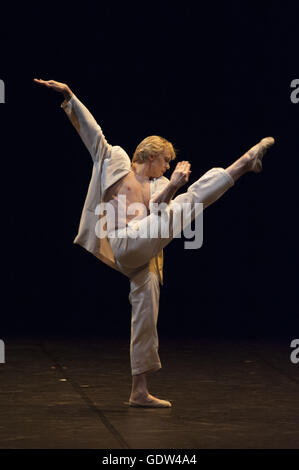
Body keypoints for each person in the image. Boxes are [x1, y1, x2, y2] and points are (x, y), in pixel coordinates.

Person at [34, 78, 275, 408]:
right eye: (165, 161)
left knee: (147, 310)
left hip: (142, 251)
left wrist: (171, 184)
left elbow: (158, 212)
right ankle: (242, 165)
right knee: (182, 203)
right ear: (151, 155)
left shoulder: (158, 182)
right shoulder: (116, 161)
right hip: (121, 243)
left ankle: (139, 391)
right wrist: (70, 97)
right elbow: (93, 135)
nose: (167, 167)